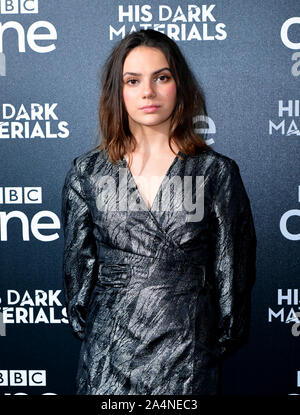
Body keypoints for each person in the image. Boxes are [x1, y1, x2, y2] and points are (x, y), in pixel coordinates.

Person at [61, 29, 256, 395]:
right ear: (117, 92)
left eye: (161, 77)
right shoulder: (86, 173)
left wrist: (207, 337)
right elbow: (78, 276)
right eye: (133, 81)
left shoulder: (215, 173)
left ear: (178, 85)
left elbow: (233, 270)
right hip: (108, 358)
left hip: (188, 358)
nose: (147, 92)